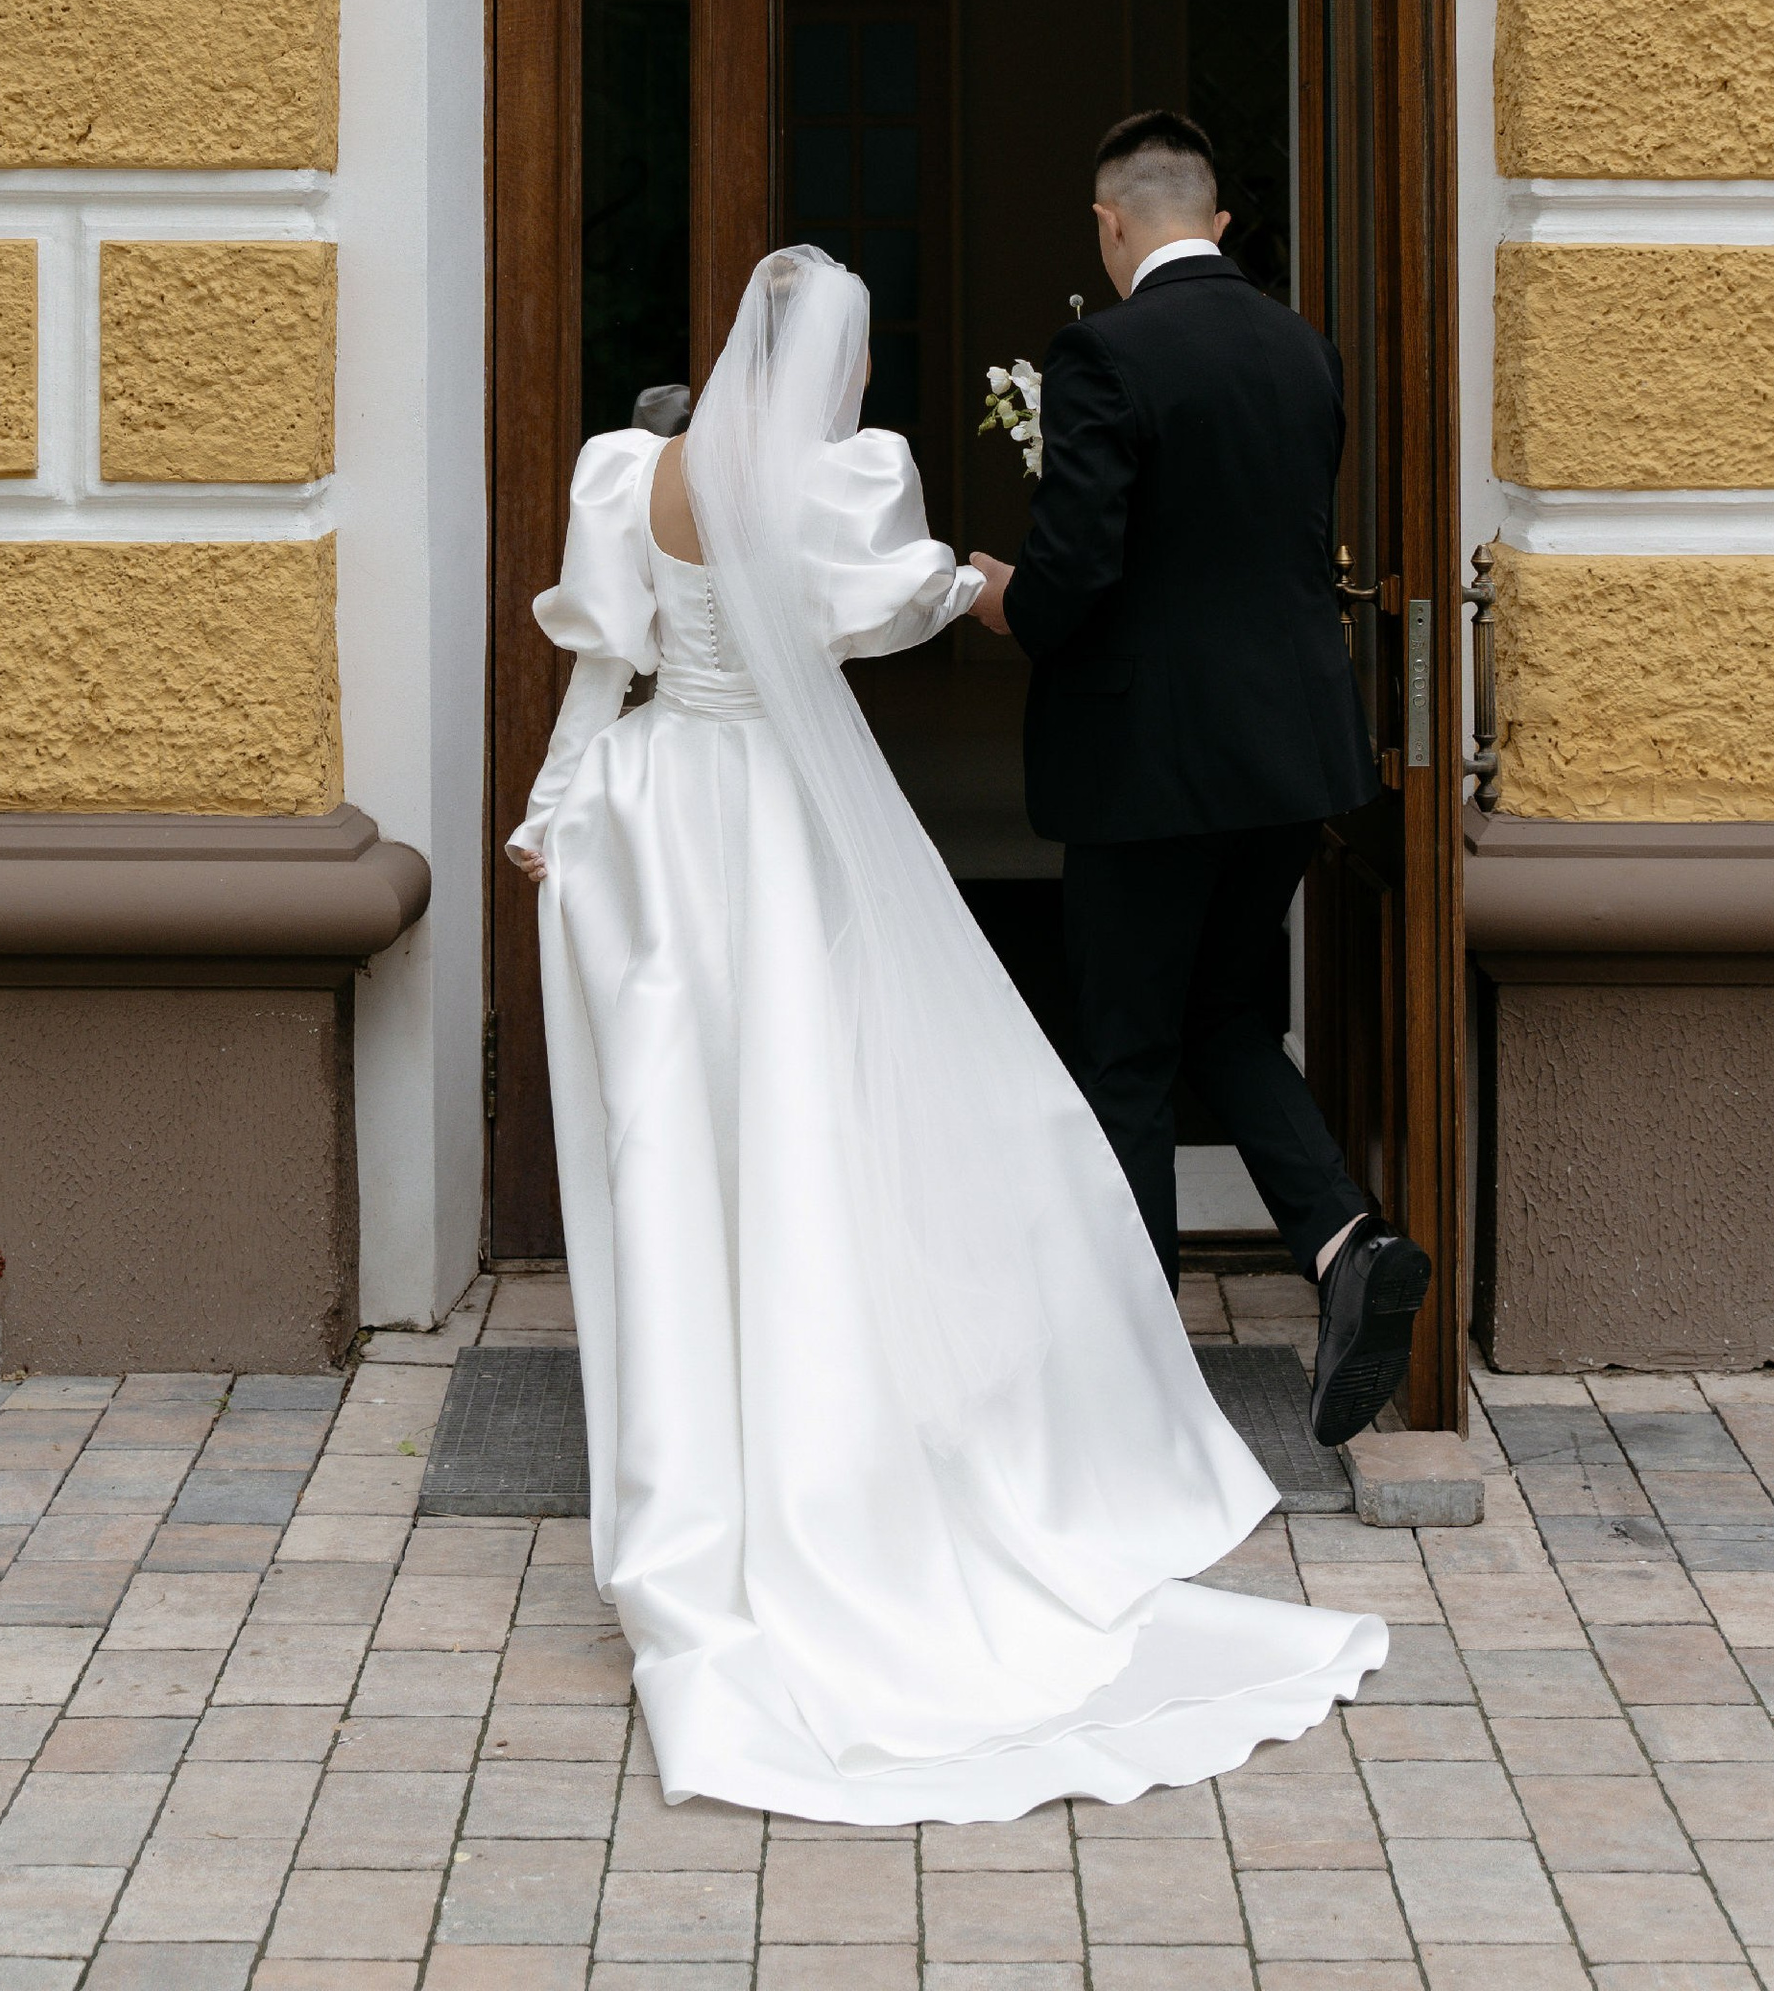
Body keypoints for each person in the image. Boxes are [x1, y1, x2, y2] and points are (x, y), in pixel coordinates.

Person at [509, 245, 1384, 1822]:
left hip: (653, 819)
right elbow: (895, 611)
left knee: (676, 1139)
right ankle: (831, 1439)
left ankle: (700, 1458)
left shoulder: (627, 471)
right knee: (810, 1120)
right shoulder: (847, 485)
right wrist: (975, 582)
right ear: (831, 372)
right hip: (780, 817)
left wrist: (552, 809)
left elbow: (599, 654)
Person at [969, 109, 1432, 1448]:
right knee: (1227, 1021)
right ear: (1216, 224)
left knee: (1125, 1048)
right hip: (1294, 754)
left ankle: (1128, 1350)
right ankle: (1350, 1250)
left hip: (1146, 765)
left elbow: (1076, 583)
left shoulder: (1104, 354)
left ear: (1112, 225)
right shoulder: (1303, 349)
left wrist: (1004, 599)